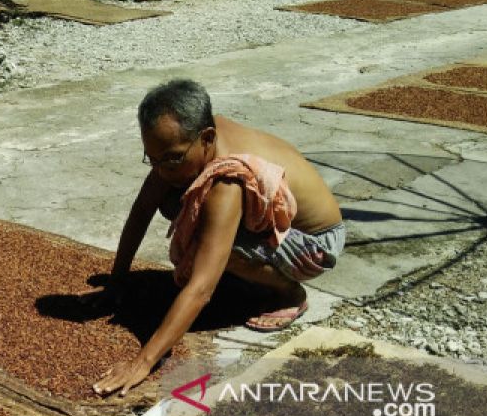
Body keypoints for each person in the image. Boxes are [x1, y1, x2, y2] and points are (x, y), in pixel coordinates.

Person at [90, 79, 345, 397]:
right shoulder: (190, 136)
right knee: (176, 203)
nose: (160, 170)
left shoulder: (226, 181)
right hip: (278, 228)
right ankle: (250, 277)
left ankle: (290, 294)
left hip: (315, 244)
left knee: (208, 246)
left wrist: (143, 361)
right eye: (151, 159)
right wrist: (117, 280)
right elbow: (142, 210)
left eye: (170, 159)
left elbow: (201, 289)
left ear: (207, 139)